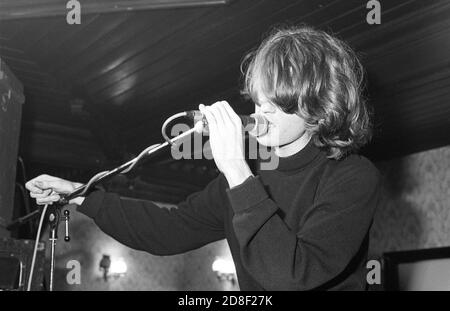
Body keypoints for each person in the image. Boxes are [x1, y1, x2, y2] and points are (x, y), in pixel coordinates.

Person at [26, 25, 380, 290]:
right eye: (259, 101)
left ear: (320, 108)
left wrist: (238, 170)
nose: (262, 112)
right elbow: (166, 231)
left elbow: (290, 275)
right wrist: (81, 194)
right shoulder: (249, 174)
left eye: (279, 103)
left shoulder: (352, 177)